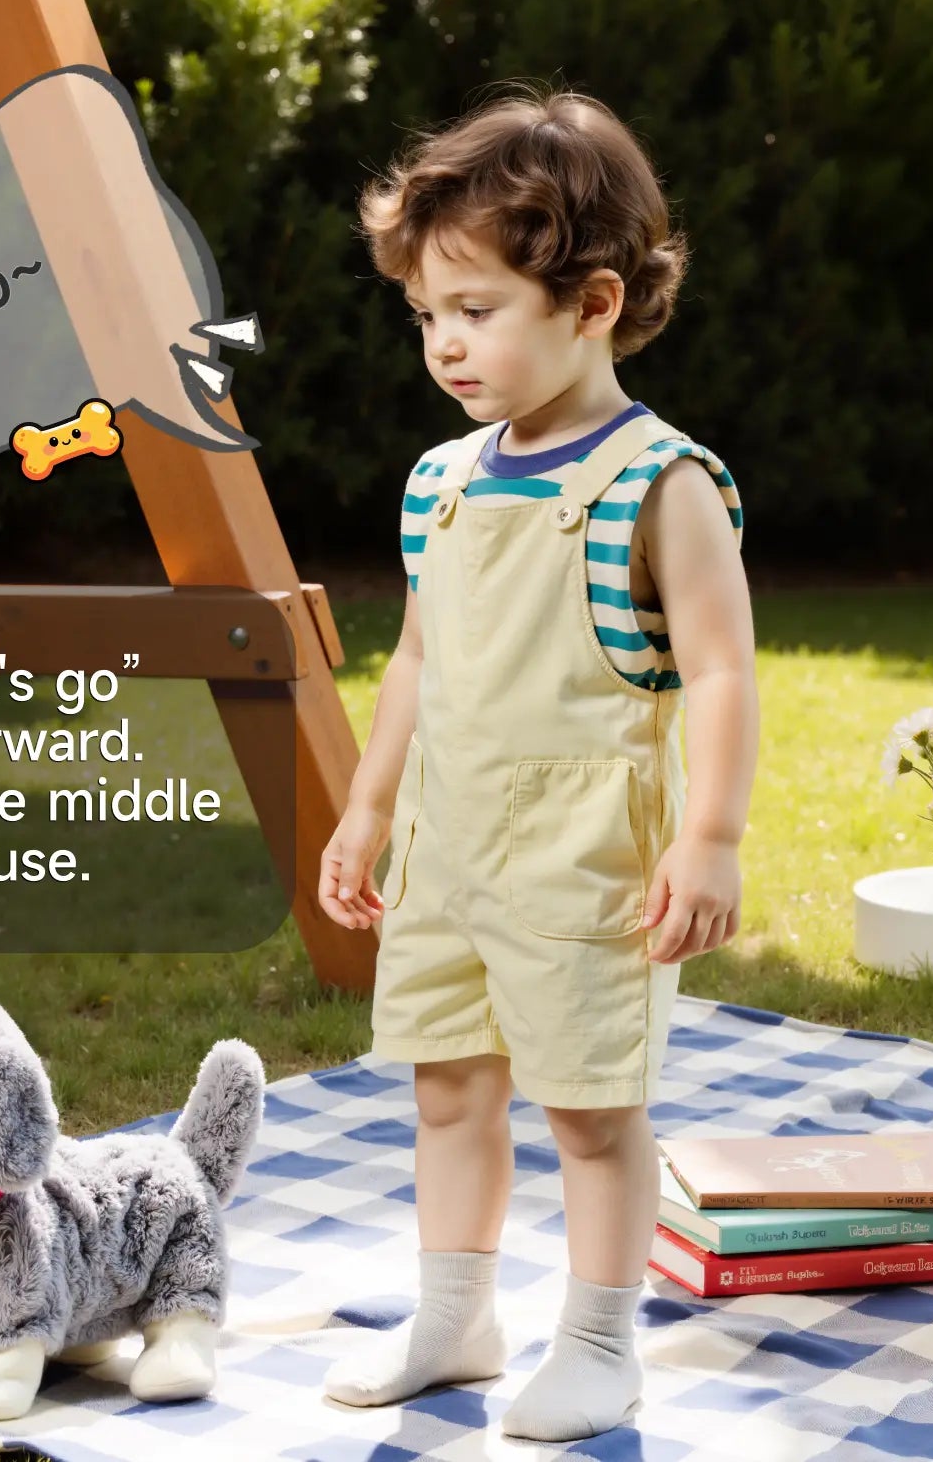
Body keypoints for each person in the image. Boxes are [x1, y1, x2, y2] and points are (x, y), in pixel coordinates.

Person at [317, 87, 758, 1441]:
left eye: (479, 310)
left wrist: (712, 839)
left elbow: (728, 669)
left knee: (585, 1109)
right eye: (429, 316)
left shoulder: (660, 482)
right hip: (451, 847)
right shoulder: (440, 483)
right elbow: (419, 660)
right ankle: (458, 1318)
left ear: (594, 302)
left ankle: (600, 1341)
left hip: (584, 855)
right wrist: (369, 805)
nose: (446, 344)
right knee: (447, 1087)